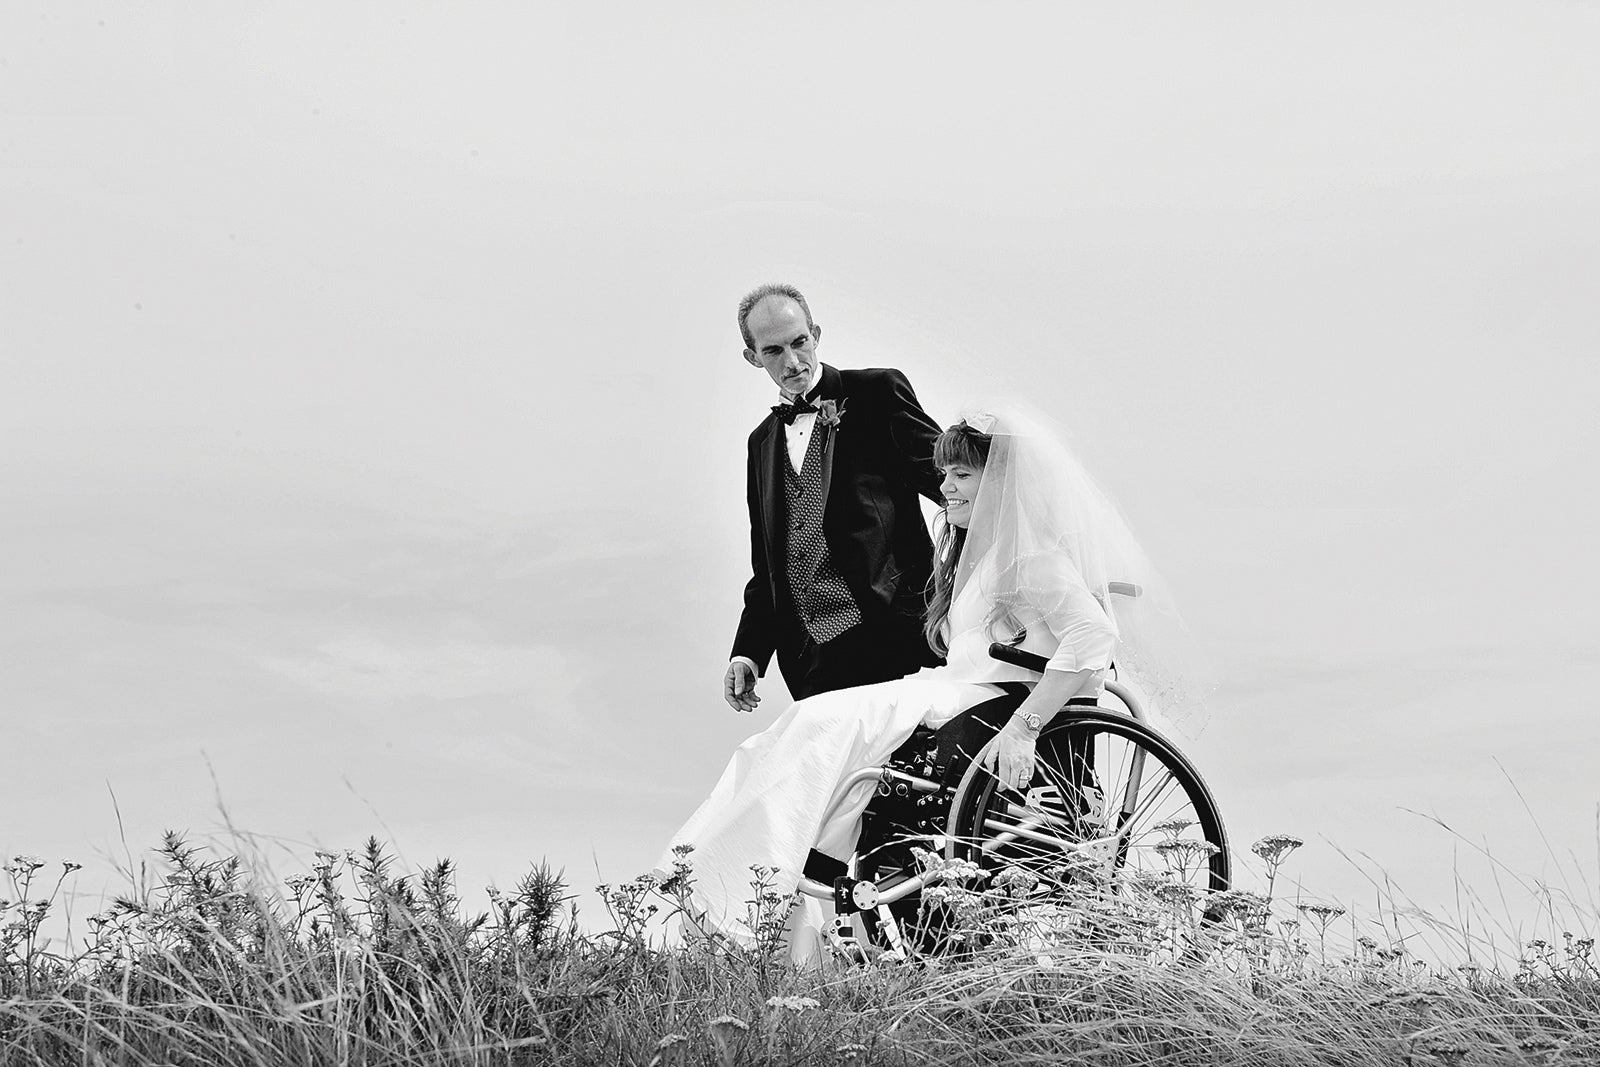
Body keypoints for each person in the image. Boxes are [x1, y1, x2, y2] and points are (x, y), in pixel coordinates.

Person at [663, 407, 1197, 962]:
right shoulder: (988, 559)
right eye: (944, 475)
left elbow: (1092, 639)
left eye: (961, 475)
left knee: (818, 728)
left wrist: (1024, 728)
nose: (944, 488)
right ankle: (737, 891)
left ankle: (736, 903)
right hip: (953, 693)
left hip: (987, 703)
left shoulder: (1031, 558)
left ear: (1001, 484)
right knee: (805, 732)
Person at [725, 284, 946, 709]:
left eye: (799, 342)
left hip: (898, 640)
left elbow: (951, 484)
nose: (791, 362)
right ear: (753, 357)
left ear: (816, 334)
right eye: (773, 351)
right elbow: (768, 567)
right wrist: (748, 652)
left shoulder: (877, 393)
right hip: (813, 661)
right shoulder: (761, 444)